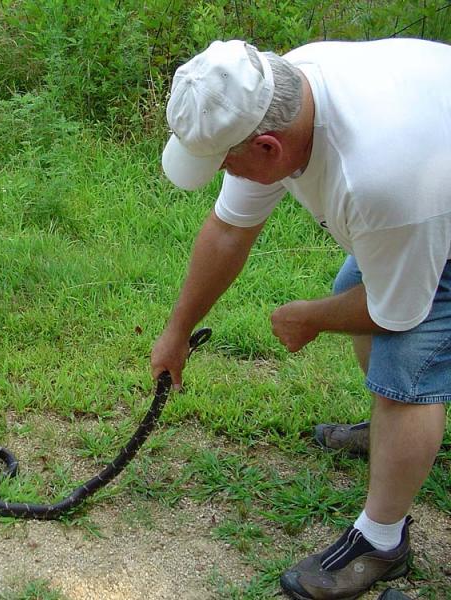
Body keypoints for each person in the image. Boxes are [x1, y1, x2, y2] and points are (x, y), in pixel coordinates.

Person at [152, 39, 450, 600]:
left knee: (408, 367)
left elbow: (398, 312)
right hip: (427, 182)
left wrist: (309, 317)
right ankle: (388, 443)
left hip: (433, 194)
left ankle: (382, 540)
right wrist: (176, 333)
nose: (225, 174)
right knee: (351, 291)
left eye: (225, 162)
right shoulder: (276, 90)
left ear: (266, 147)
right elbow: (228, 230)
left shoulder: (379, 178)